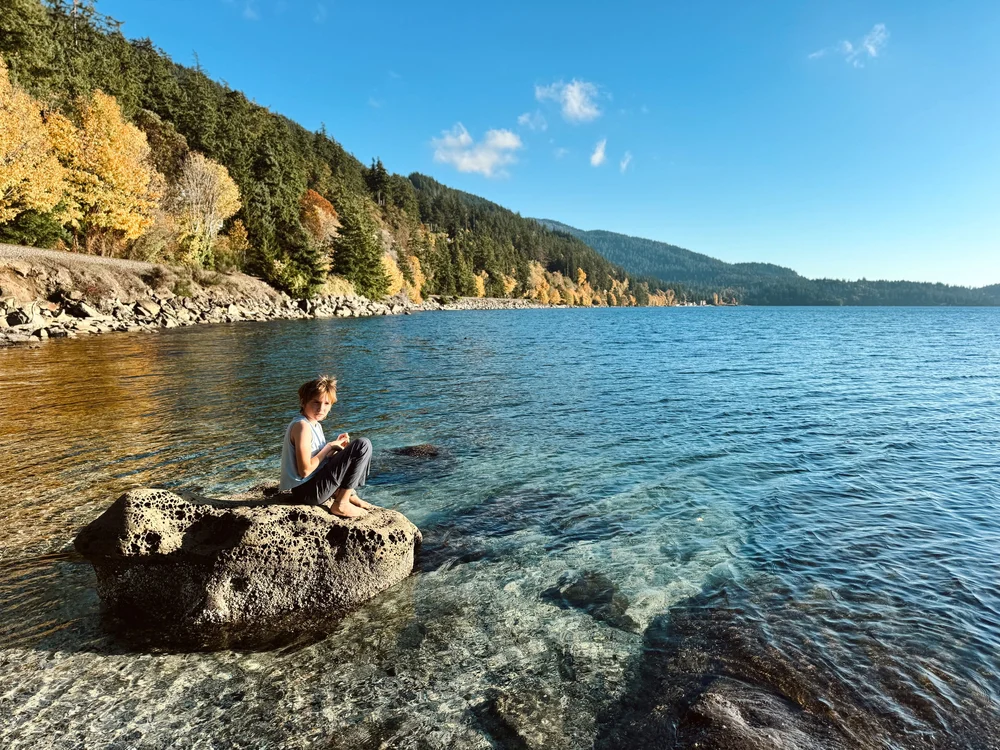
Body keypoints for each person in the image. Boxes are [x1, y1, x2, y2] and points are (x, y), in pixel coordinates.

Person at [279, 375, 374, 518]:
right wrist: (329, 446)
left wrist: (337, 447)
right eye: (316, 402)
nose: (321, 408)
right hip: (307, 491)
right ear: (303, 402)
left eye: (327, 403)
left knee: (356, 449)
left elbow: (319, 460)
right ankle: (341, 503)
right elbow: (305, 470)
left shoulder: (315, 425)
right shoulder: (302, 426)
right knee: (362, 445)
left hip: (312, 487)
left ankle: (348, 494)